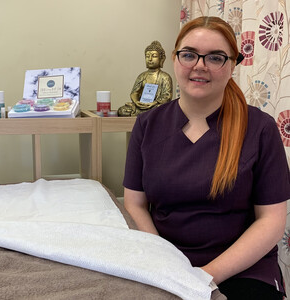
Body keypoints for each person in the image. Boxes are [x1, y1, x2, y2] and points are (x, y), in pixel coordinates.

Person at [123, 16, 290, 300]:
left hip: (243, 269)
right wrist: (164, 262)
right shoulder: (148, 125)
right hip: (167, 264)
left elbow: (271, 221)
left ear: (233, 65)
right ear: (175, 59)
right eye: (189, 55)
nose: (199, 66)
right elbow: (135, 203)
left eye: (215, 57)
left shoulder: (260, 128)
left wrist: (202, 276)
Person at [117, 41, 173, 116]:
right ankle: (147, 115)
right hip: (141, 106)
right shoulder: (142, 76)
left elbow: (167, 96)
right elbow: (134, 92)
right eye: (147, 56)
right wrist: (137, 102)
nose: (150, 59)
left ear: (161, 59)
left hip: (155, 106)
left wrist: (154, 103)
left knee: (163, 110)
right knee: (122, 110)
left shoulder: (165, 77)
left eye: (154, 56)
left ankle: (146, 115)